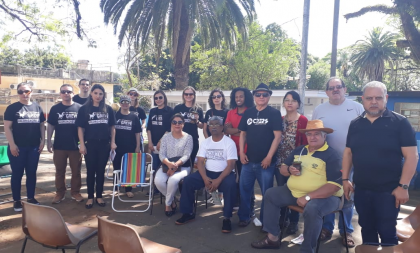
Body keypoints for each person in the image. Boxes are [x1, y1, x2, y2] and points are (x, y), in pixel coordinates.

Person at [343, 81, 418, 245]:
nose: (373, 102)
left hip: (389, 191)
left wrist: (403, 186)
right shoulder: (355, 124)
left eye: (378, 97)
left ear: (386, 98)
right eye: (369, 98)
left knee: (387, 232)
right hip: (361, 189)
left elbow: (412, 156)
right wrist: (345, 179)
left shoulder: (400, 123)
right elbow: (348, 153)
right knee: (366, 230)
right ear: (362, 99)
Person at [251, 120, 343, 252]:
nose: (312, 137)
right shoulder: (300, 150)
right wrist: (289, 170)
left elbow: (334, 186)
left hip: (325, 198)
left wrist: (308, 197)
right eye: (309, 134)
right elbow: (283, 168)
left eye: (317, 134)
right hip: (295, 193)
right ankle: (272, 238)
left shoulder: (332, 155)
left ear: (325, 136)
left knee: (313, 209)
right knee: (271, 194)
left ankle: (307, 249)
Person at [312, 77, 364, 247]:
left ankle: (346, 231)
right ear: (326, 91)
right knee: (327, 194)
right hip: (326, 162)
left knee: (347, 197)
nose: (335, 90)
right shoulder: (319, 109)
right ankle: (326, 228)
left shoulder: (357, 107)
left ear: (344, 89)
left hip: (351, 161)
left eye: (338, 87)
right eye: (331, 88)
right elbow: (315, 133)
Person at [176, 116, 238, 232]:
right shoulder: (206, 142)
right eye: (211, 124)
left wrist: (218, 181)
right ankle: (188, 213)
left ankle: (227, 218)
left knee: (230, 186)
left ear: (222, 127)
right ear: (208, 127)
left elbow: (230, 166)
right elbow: (200, 162)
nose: (213, 127)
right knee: (188, 181)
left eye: (216, 124)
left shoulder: (229, 143)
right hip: (207, 173)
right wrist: (205, 179)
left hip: (224, 174)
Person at [238, 83, 282, 226]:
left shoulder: (274, 114)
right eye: (258, 94)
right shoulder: (248, 112)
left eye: (265, 94)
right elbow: (242, 134)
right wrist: (241, 152)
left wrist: (269, 157)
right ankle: (244, 217)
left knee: (266, 194)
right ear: (254, 96)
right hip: (248, 161)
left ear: (269, 96)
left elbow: (277, 137)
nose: (261, 97)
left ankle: (264, 220)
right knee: (244, 191)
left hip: (266, 164)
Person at [4, 83, 45, 212]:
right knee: (17, 174)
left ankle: (31, 198)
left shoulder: (37, 107)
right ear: (18, 93)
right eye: (21, 91)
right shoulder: (12, 108)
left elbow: (41, 126)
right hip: (18, 148)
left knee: (31, 174)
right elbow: (7, 128)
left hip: (33, 148)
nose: (24, 94)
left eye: (26, 91)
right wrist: (12, 145)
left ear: (31, 92)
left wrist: (43, 141)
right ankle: (17, 200)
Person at [75, 84, 116, 209]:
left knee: (100, 171)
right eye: (96, 93)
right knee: (90, 171)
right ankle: (90, 197)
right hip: (90, 144)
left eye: (101, 94)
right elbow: (80, 128)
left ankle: (99, 196)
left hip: (104, 144)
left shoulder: (108, 109)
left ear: (103, 96)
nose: (98, 96)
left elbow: (112, 127)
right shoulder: (84, 109)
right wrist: (82, 144)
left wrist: (113, 142)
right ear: (91, 94)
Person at [276, 91, 308, 235]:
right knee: (282, 190)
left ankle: (294, 221)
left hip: (296, 164)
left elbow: (306, 145)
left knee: (295, 192)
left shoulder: (303, 121)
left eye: (293, 100)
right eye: (287, 100)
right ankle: (282, 219)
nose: (290, 103)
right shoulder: (280, 119)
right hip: (280, 162)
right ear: (283, 102)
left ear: (298, 104)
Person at [47, 84, 83, 204]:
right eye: (63, 92)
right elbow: (51, 125)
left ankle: (75, 192)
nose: (66, 94)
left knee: (76, 171)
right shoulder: (55, 109)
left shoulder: (80, 108)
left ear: (73, 94)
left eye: (68, 92)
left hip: (75, 146)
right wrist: (48, 141)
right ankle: (60, 193)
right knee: (59, 171)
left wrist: (83, 143)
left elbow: (84, 128)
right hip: (59, 146)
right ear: (60, 94)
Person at [155, 113, 193, 217]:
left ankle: (168, 205)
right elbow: (162, 154)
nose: (177, 124)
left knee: (173, 180)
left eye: (180, 122)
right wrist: (169, 164)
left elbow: (187, 155)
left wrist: (175, 166)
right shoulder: (166, 137)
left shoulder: (188, 138)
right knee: (158, 181)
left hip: (183, 166)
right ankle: (172, 200)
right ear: (171, 124)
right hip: (166, 165)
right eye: (174, 122)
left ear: (183, 124)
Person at [224, 87, 255, 210]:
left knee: (246, 181)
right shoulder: (231, 113)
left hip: (247, 151)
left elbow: (251, 132)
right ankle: (236, 203)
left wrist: (236, 130)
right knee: (233, 179)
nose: (238, 99)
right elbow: (226, 130)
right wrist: (242, 130)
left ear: (246, 97)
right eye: (236, 97)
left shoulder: (251, 112)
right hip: (232, 151)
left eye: (241, 96)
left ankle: (249, 207)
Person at [113, 95, 142, 197]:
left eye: (127, 102)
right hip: (117, 146)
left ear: (130, 104)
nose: (125, 104)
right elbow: (111, 130)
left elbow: (137, 132)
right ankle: (116, 187)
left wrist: (138, 146)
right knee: (116, 167)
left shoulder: (134, 117)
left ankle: (128, 189)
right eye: (123, 102)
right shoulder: (115, 115)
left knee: (129, 168)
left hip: (130, 146)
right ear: (120, 103)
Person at [173, 86, 204, 166]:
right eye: (186, 94)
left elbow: (202, 126)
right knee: (179, 162)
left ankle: (188, 177)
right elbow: (172, 123)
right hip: (179, 139)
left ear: (194, 95)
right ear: (183, 95)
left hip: (193, 139)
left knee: (190, 162)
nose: (188, 96)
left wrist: (197, 121)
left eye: (190, 94)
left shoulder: (198, 109)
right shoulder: (178, 108)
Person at [147, 90, 173, 174]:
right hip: (154, 145)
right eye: (156, 98)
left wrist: (160, 141)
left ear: (164, 98)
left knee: (164, 168)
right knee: (154, 167)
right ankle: (154, 186)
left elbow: (170, 128)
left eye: (160, 97)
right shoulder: (152, 111)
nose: (158, 99)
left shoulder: (170, 111)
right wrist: (150, 142)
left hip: (166, 144)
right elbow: (149, 128)